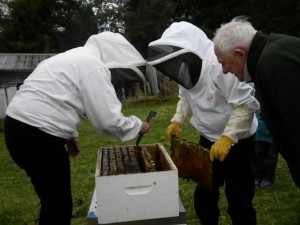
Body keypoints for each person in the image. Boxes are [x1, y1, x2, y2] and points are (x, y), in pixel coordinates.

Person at [4, 32, 150, 225]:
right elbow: (107, 120)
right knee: (58, 204)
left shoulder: (66, 58)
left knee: (51, 198)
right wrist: (138, 124)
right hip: (38, 135)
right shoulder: (93, 65)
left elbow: (57, 98)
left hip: (15, 128)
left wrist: (70, 136)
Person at [147, 21, 260, 225]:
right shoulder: (188, 70)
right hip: (208, 140)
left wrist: (228, 138)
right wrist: (177, 120)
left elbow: (245, 106)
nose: (180, 62)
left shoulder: (220, 66)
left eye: (182, 56)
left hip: (239, 143)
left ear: (193, 50)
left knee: (239, 199)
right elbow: (185, 97)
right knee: (205, 194)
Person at [213, 16, 300, 188]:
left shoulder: (273, 64)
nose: (223, 71)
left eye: (225, 63)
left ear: (240, 54)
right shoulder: (272, 53)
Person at [254, 111, 279, 189]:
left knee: (271, 158)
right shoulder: (259, 103)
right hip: (259, 135)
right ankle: (258, 176)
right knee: (258, 156)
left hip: (273, 137)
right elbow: (257, 117)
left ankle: (269, 178)